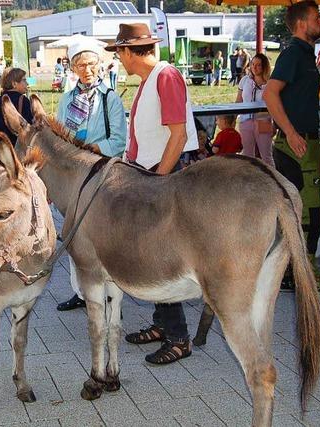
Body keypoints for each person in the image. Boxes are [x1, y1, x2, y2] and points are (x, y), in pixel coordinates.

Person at [106, 23, 199, 364]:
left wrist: (158, 182)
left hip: (162, 175)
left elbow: (178, 135)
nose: (118, 58)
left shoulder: (165, 76)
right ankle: (163, 324)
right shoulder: (151, 80)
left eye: (119, 51)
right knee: (151, 253)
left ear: (130, 51)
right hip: (151, 174)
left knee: (160, 256)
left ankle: (178, 338)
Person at [263, 0, 320, 305]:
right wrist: (290, 133)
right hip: (294, 146)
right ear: (302, 23)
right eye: (317, 18)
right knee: (309, 218)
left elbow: (303, 104)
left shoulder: (305, 54)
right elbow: (269, 92)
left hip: (307, 144)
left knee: (304, 215)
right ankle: (309, 280)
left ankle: (293, 273)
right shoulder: (293, 54)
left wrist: (317, 150)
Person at [55, 39, 127, 312]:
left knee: (101, 233)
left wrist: (96, 147)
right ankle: (81, 290)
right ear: (72, 68)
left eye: (90, 64)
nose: (86, 69)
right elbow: (60, 133)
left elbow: (119, 139)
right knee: (73, 231)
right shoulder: (67, 99)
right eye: (80, 65)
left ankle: (108, 289)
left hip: (101, 173)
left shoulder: (110, 98)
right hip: (74, 175)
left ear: (99, 65)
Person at [0, 68, 33, 163]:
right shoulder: (25, 102)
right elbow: (31, 133)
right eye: (24, 80)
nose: (27, 84)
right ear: (14, 84)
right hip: (17, 157)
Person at [237, 53, 274, 166]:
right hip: (245, 121)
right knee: (247, 156)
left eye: (258, 65)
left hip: (264, 121)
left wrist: (275, 124)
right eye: (253, 64)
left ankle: (273, 180)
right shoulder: (245, 80)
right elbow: (238, 101)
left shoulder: (270, 84)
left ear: (264, 67)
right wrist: (233, 117)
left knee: (266, 156)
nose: (254, 67)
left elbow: (274, 105)